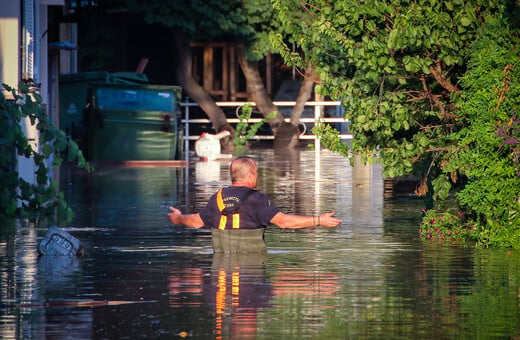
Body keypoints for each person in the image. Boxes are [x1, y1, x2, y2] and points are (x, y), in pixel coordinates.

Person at [168, 156, 342, 252]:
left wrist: (179, 217)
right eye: (256, 173)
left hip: (221, 265)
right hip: (253, 266)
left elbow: (197, 222)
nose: (257, 176)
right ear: (250, 176)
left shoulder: (217, 197)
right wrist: (318, 220)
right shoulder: (257, 199)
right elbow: (284, 222)